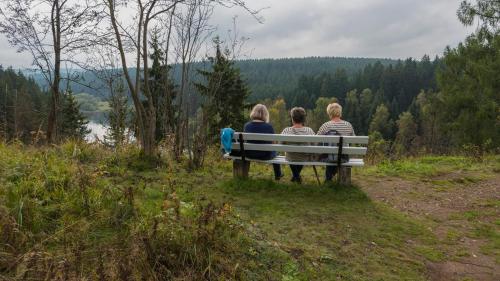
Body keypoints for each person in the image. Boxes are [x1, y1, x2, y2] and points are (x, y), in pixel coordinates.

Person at [242, 104, 283, 180]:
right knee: (276, 151)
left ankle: (243, 176)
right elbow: (273, 144)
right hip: (265, 156)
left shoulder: (247, 126)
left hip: (249, 154)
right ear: (265, 114)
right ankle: (278, 174)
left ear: (253, 112)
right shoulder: (269, 127)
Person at [317, 103, 355, 182]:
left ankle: (328, 179)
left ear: (329, 113)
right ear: (340, 112)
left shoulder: (325, 126)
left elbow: (316, 139)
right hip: (344, 158)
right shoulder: (348, 125)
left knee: (331, 154)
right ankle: (332, 178)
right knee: (337, 154)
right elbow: (353, 139)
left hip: (328, 158)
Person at [281, 107, 315, 183]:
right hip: (304, 158)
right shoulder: (309, 130)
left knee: (291, 154)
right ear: (303, 119)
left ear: (292, 119)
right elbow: (314, 144)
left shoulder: (286, 130)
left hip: (290, 157)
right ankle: (296, 176)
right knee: (301, 155)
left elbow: (281, 144)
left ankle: (296, 176)